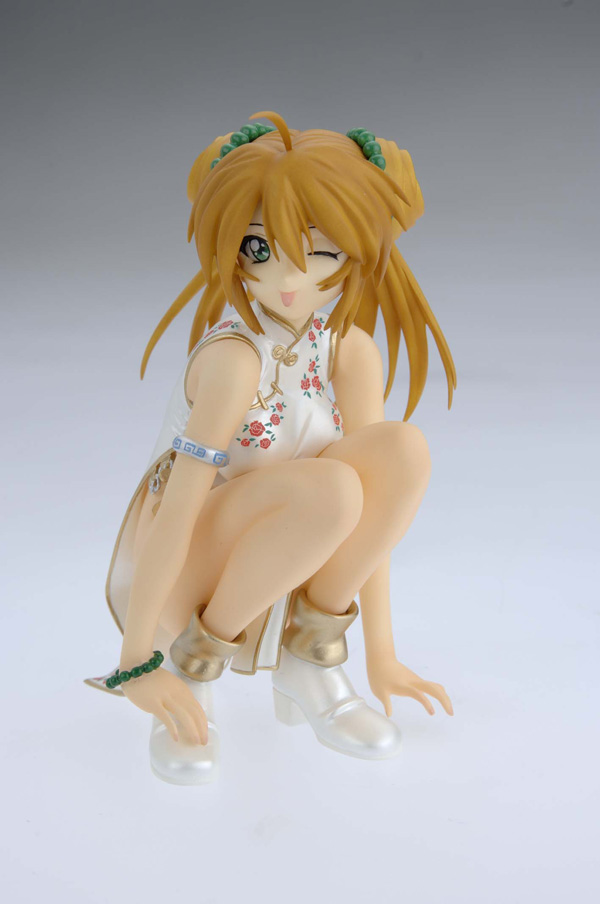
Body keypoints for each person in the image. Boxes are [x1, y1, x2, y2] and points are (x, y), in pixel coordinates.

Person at [86, 111, 456, 784]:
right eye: (259, 248)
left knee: (402, 451)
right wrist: (136, 660)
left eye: (322, 251)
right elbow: (178, 511)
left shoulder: (345, 349)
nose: (289, 277)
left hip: (293, 545)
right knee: (331, 488)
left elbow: (378, 518)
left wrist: (383, 653)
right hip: (192, 565)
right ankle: (193, 669)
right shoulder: (235, 359)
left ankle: (311, 658)